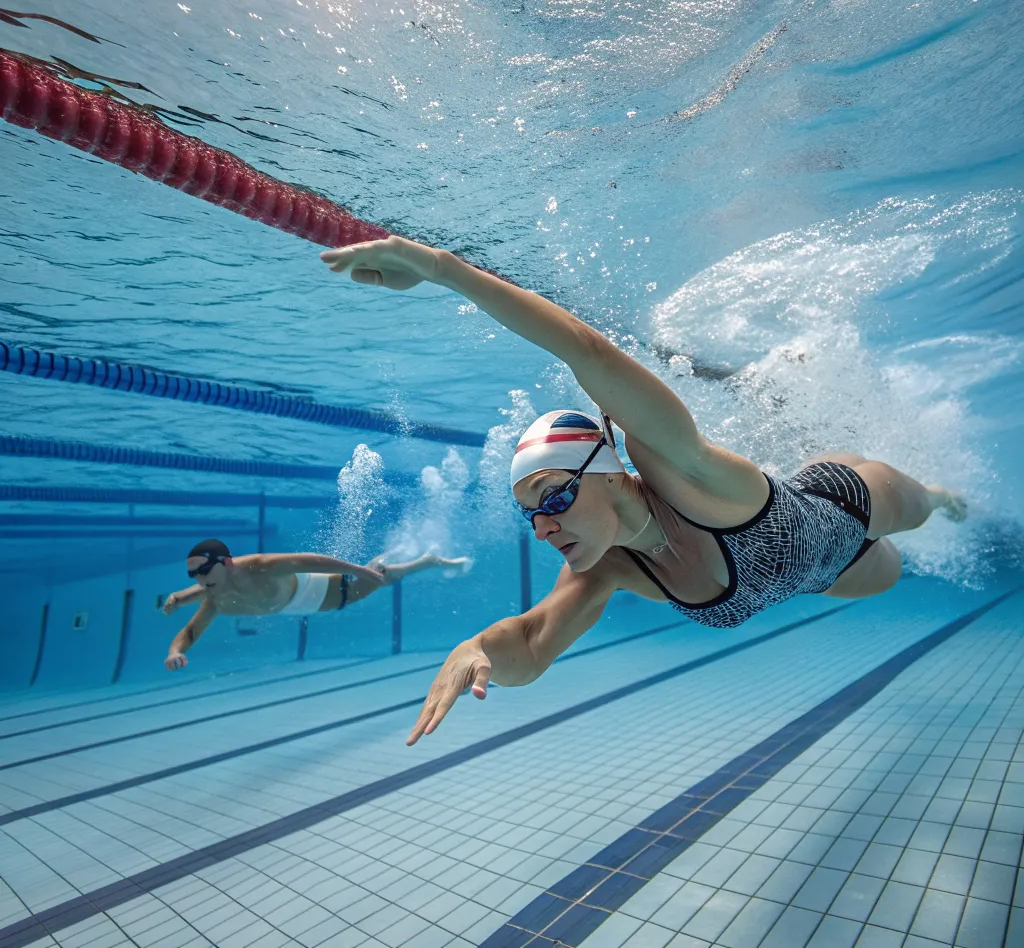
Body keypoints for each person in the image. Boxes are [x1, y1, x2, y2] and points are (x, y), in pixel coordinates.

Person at [320, 235, 968, 745]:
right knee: (893, 572)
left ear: (606, 471)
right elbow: (533, 645)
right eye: (532, 518)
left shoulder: (682, 472)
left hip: (848, 500)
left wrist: (442, 270)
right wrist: (477, 648)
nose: (544, 528)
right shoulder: (607, 570)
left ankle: (937, 491)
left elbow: (588, 354)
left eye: (554, 499)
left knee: (928, 507)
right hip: (827, 574)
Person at [162, 538, 471, 671]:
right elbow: (190, 632)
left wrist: (357, 570)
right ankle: (385, 562)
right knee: (377, 573)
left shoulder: (260, 566)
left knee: (380, 577)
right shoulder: (216, 597)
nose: (200, 579)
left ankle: (427, 561)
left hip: (331, 591)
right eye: (193, 575)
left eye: (204, 571)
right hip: (306, 604)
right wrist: (175, 652)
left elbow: (312, 560)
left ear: (227, 563)